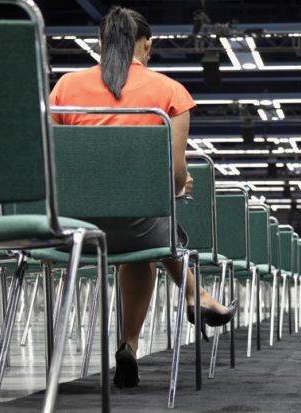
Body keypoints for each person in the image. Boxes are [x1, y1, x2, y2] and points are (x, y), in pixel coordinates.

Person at [49, 5, 235, 388]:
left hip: (71, 231)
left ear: (100, 44)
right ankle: (134, 340)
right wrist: (181, 184)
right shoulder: (170, 92)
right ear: (146, 46)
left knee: (148, 229)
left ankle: (193, 298)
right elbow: (176, 175)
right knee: (154, 235)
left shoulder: (66, 87)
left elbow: (49, 166)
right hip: (138, 232)